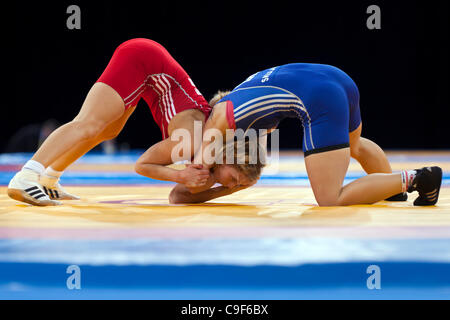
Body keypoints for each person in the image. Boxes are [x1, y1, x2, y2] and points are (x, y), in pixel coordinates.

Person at [169, 63, 442, 206]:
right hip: (339, 78)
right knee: (353, 145)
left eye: (224, 176)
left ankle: (418, 178)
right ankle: (392, 191)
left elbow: (182, 189)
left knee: (329, 198)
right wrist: (233, 178)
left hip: (320, 97)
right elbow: (253, 160)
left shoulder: (220, 119)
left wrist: (206, 176)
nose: (226, 182)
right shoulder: (243, 96)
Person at [7, 38, 214, 206]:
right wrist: (182, 177)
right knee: (88, 124)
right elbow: (143, 164)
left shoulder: (207, 141)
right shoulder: (192, 142)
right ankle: (27, 175)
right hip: (142, 58)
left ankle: (49, 179)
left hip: (149, 64)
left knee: (108, 131)